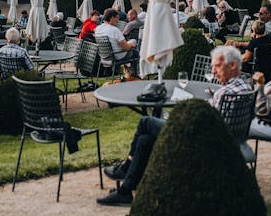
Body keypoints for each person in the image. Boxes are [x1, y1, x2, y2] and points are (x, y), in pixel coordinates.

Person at [97, 46, 251, 206]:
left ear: (233, 65)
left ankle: (127, 167)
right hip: (222, 139)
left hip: (200, 140)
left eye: (217, 66)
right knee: (145, 139)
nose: (213, 71)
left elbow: (209, 120)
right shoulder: (244, 88)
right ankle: (126, 190)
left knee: (146, 122)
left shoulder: (224, 93)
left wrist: (185, 115)